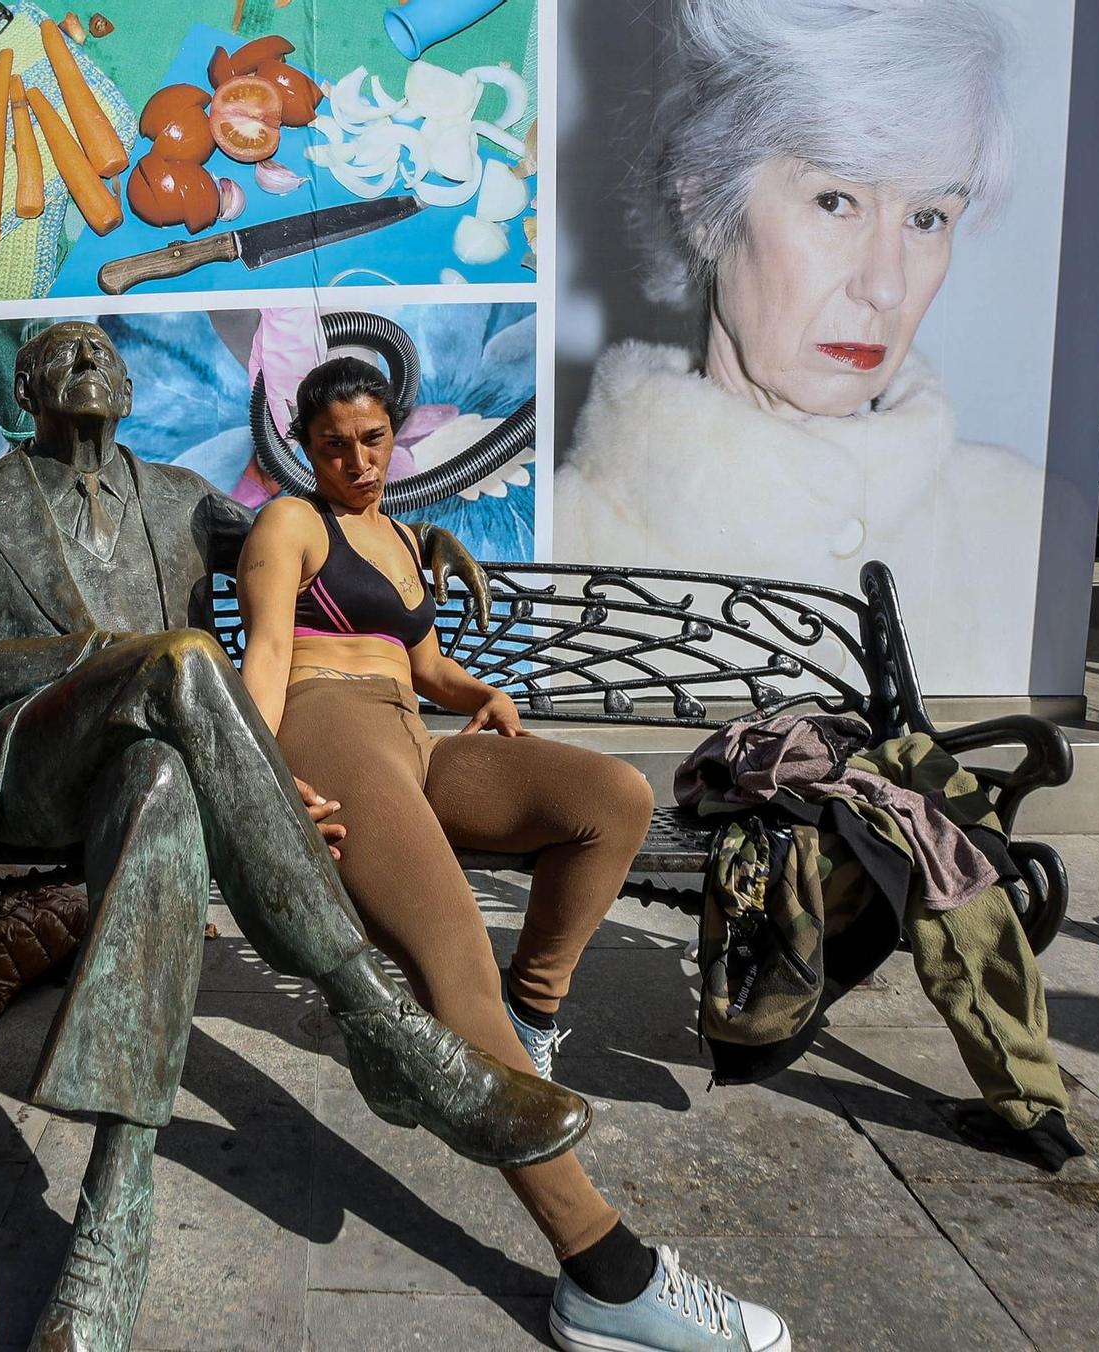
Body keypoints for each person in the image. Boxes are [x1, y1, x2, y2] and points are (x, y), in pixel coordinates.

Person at [0, 320, 589, 1352]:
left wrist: (417, 542)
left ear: (133, 383)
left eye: (103, 350)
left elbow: (324, 533)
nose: (88, 361)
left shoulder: (187, 505)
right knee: (183, 660)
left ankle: (112, 1202)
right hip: (28, 762)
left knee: (163, 794)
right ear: (23, 384)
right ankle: (379, 1015)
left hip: (148, 767)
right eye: (62, 350)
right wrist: (110, 657)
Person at [239, 355, 790, 1352]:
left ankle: (526, 1028)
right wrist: (263, 783)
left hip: (410, 738)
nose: (355, 459)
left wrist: (471, 695)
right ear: (304, 445)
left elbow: (420, 662)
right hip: (327, 729)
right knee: (452, 957)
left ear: (392, 429)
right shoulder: (289, 523)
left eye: (370, 439)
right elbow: (268, 656)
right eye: (331, 444)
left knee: (608, 800)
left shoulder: (400, 535)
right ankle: (602, 1275)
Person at [554, 0, 1036, 695]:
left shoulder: (1026, 528)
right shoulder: (550, 554)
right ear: (703, 206)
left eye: (928, 218)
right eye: (836, 201)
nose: (886, 285)